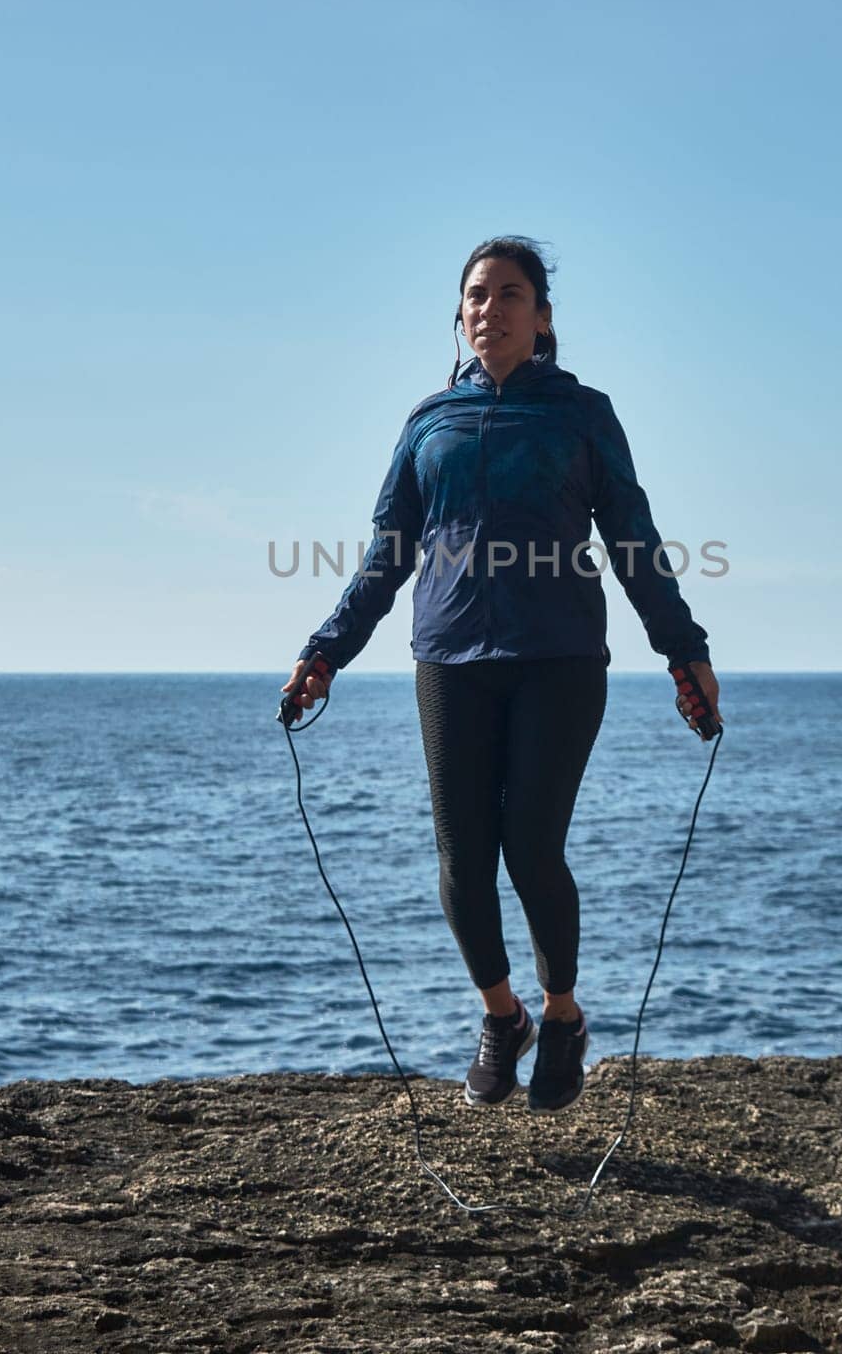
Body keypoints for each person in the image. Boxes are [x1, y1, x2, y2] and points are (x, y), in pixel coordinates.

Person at [282, 236, 721, 1115]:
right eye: (477, 295)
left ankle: (562, 1017)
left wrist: (683, 650)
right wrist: (326, 650)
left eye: (511, 294)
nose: (491, 308)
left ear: (543, 316)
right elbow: (386, 556)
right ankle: (502, 1014)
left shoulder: (583, 414)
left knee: (531, 849)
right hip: (449, 659)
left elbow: (633, 539)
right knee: (461, 861)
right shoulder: (428, 424)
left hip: (559, 658)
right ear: (461, 314)